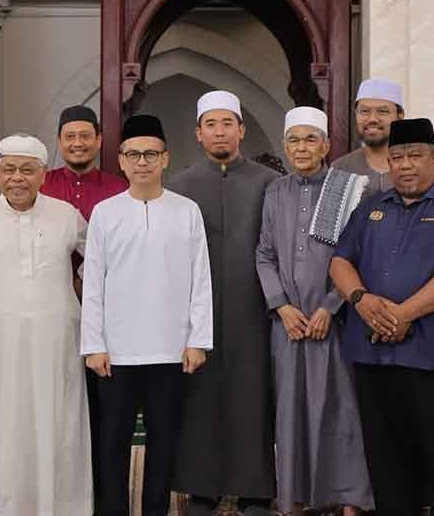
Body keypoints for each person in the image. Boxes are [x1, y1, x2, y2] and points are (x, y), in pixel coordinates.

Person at [329, 118, 434, 516]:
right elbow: (339, 261)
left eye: (415, 156)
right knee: (387, 462)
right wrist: (361, 300)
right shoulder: (371, 208)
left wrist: (402, 315)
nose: (404, 165)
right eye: (397, 157)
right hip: (374, 357)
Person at [81, 114, 213, 516]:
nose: (142, 162)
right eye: (134, 154)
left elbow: (200, 278)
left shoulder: (187, 211)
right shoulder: (105, 213)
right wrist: (94, 345)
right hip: (116, 352)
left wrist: (197, 340)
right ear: (120, 160)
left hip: (171, 350)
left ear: (165, 158)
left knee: (164, 440)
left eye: (150, 154)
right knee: (113, 441)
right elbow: (94, 285)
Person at [0, 133, 92, 515]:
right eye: (10, 169)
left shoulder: (65, 215)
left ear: (43, 174)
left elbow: (100, 261)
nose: (18, 178)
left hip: (59, 341)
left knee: (59, 427)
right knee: (4, 427)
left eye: (27, 170)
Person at [256, 107, 374, 516]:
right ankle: (296, 496)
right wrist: (282, 307)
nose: (301, 148)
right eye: (294, 140)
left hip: (336, 320)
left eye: (310, 139)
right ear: (285, 146)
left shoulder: (348, 188)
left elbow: (358, 254)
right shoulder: (275, 191)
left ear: (326, 145)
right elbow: (264, 254)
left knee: (340, 406)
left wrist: (330, 306)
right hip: (288, 323)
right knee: (291, 408)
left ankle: (347, 498)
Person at [168, 90, 279, 516]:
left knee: (253, 399)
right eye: (211, 124)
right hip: (197, 314)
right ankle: (202, 488)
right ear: (198, 133)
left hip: (254, 310)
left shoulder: (269, 183)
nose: (220, 131)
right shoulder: (180, 185)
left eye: (227, 123)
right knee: (201, 401)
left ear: (241, 130)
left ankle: (254, 491)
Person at [40, 105, 128, 510]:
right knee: (54, 406)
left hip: (107, 316)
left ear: (99, 140)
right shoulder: (39, 185)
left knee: (101, 410)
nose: (77, 143)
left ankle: (100, 497)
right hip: (50, 312)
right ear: (59, 142)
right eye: (69, 136)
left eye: (84, 136)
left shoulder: (118, 189)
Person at [331, 78, 406, 197]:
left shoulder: (424, 166)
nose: (372, 119)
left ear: (400, 116)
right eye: (364, 111)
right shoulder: (341, 169)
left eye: (383, 111)